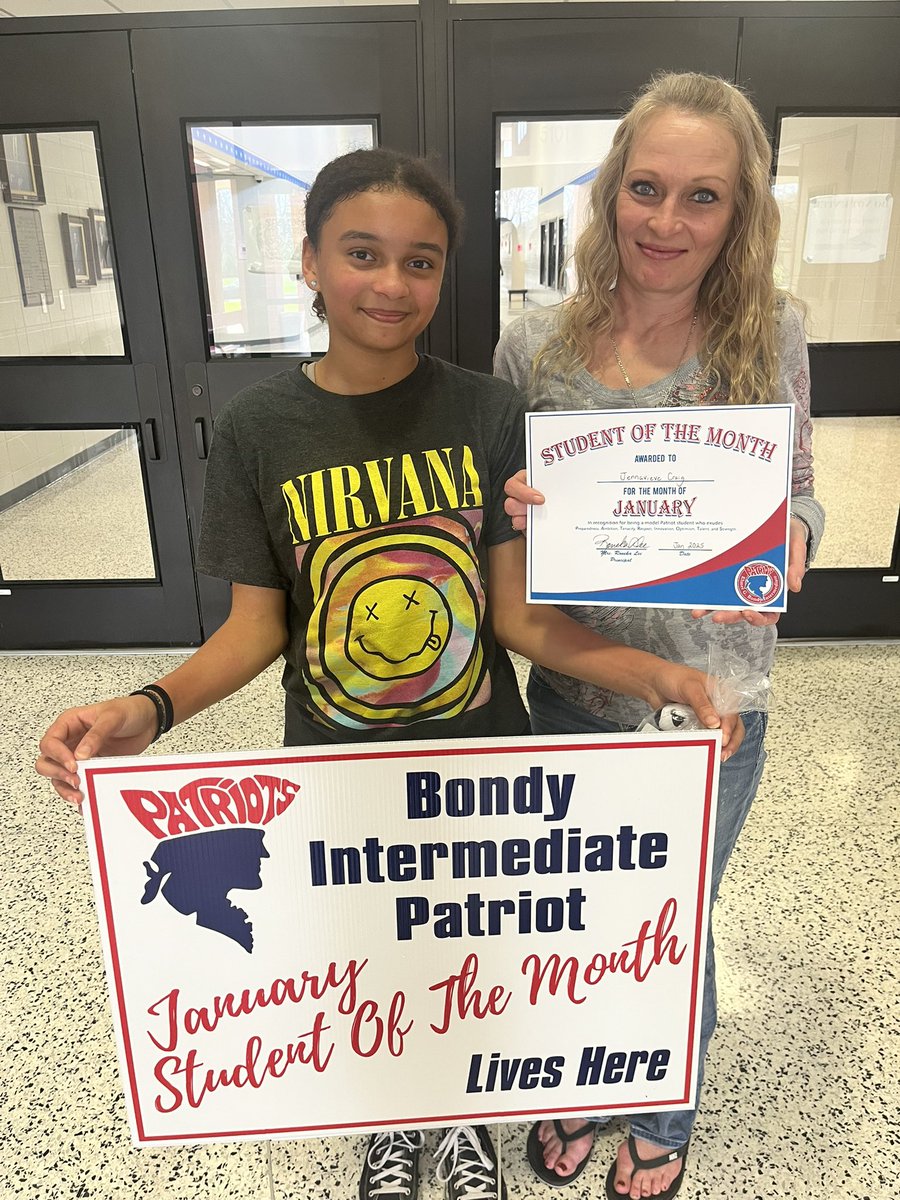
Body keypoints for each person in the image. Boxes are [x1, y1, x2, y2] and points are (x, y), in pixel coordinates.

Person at [36, 147, 741, 1200]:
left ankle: (462, 1119)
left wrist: (660, 678)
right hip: (338, 770)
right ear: (309, 261)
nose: (392, 284)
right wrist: (150, 708)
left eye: (421, 261)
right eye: (362, 254)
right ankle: (392, 1121)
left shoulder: (485, 413)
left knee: (471, 962)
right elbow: (255, 628)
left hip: (480, 766)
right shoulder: (258, 430)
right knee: (366, 959)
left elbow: (519, 618)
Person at [494, 72, 825, 1200]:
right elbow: (499, 524)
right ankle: (584, 1083)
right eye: (646, 188)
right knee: (577, 920)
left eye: (702, 197)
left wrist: (788, 539)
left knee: (669, 929)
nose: (667, 221)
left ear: (741, 213)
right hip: (576, 695)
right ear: (610, 193)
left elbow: (802, 490)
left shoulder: (771, 332)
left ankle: (661, 1118)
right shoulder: (533, 347)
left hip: (715, 711)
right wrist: (511, 510)